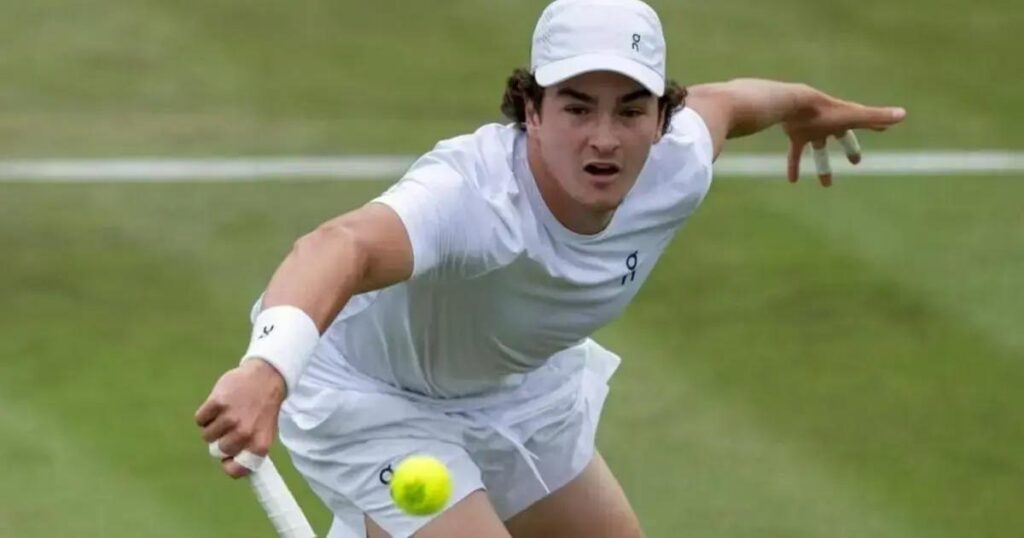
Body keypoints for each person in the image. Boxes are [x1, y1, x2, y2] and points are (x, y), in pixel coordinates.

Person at [194, 0, 906, 536]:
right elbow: (337, 246)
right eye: (575, 107)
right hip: (374, 402)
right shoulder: (472, 195)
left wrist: (805, 106)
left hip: (518, 390)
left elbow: (733, 103)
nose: (604, 138)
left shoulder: (677, 160)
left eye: (631, 110)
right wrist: (268, 370)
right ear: (530, 110)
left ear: (661, 118)